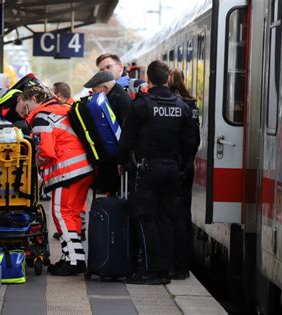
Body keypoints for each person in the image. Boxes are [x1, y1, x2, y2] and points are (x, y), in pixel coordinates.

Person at [118, 60, 195, 285]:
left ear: (149, 79)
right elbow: (189, 143)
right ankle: (167, 267)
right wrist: (181, 167)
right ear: (168, 78)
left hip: (148, 168)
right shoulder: (182, 107)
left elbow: (127, 139)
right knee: (167, 218)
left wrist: (122, 162)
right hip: (172, 169)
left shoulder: (141, 105)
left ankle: (151, 270)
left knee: (145, 217)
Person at [16, 86, 94, 276]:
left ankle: (75, 260)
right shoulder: (62, 109)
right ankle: (72, 256)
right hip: (84, 168)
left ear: (34, 98)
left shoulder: (42, 117)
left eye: (25, 104)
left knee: (60, 213)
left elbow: (47, 152)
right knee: (72, 214)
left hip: (66, 171)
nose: (25, 109)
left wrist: (34, 160)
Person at [168, 69, 201, 280]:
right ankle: (183, 264)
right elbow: (194, 140)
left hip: (174, 165)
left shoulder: (174, 104)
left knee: (171, 215)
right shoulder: (191, 105)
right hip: (187, 166)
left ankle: (174, 263)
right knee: (184, 216)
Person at [84, 70, 131, 195]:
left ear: (105, 88)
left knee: (117, 193)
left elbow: (126, 131)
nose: (93, 94)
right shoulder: (112, 96)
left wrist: (122, 161)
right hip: (114, 158)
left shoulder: (121, 99)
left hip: (118, 160)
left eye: (94, 90)